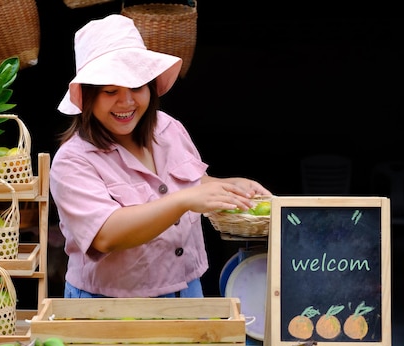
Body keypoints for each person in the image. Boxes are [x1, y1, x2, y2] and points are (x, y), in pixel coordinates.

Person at [50, 14, 272, 299]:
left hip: (187, 289)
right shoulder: (73, 160)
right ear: (88, 97)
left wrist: (229, 186)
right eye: (110, 91)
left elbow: (192, 184)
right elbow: (106, 234)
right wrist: (181, 202)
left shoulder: (167, 128)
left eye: (137, 87)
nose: (127, 101)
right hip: (109, 304)